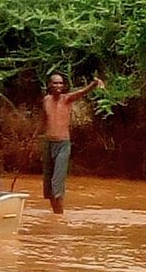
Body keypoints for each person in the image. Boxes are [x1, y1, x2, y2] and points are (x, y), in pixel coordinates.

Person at [40, 71, 105, 214]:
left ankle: (59, 214)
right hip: (48, 144)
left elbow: (82, 92)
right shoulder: (46, 100)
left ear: (64, 86)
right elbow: (44, 121)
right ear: (49, 85)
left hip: (63, 145)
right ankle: (56, 215)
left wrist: (94, 84)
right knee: (49, 183)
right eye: (55, 83)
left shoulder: (67, 99)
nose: (58, 85)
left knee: (57, 182)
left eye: (60, 83)